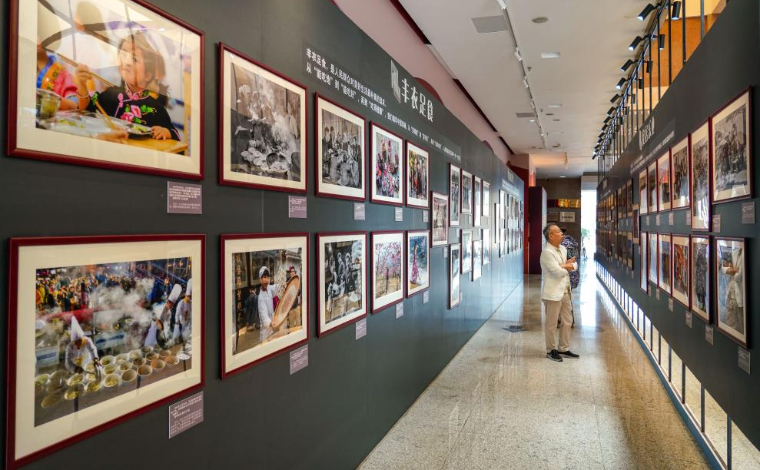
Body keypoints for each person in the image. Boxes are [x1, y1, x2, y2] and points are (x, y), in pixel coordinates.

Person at [75, 32, 178, 141]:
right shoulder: (111, 94)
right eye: (124, 55)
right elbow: (86, 108)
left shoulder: (155, 108)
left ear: (147, 75)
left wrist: (166, 132)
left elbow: (175, 134)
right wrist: (82, 84)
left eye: (134, 59)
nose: (127, 62)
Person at [540, 224, 579, 362]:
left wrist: (564, 265)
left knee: (567, 321)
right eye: (558, 232)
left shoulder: (563, 248)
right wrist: (566, 266)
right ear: (551, 236)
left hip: (565, 291)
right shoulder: (547, 253)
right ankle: (550, 350)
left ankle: (563, 348)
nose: (562, 233)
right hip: (552, 293)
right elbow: (557, 272)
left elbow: (575, 265)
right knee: (551, 323)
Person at [722, 247, 744, 331]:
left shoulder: (744, 254)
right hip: (730, 294)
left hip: (740, 298)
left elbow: (739, 276)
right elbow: (724, 269)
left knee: (742, 325)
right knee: (730, 322)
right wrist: (734, 270)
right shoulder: (734, 252)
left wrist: (732, 270)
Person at [257, 266, 282, 343]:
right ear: (260, 279)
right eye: (264, 277)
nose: (266, 280)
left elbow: (277, 287)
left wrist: (284, 284)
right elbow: (265, 319)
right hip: (265, 333)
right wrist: (273, 323)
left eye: (268, 277)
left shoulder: (269, 288)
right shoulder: (260, 298)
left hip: (272, 331)